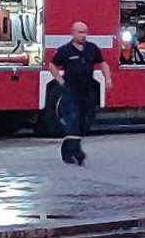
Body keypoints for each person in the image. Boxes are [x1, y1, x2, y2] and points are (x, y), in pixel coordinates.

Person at [48, 21, 113, 165]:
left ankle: (67, 150)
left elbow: (102, 63)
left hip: (87, 90)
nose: (83, 35)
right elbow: (52, 65)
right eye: (80, 32)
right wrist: (59, 80)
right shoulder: (65, 50)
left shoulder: (92, 49)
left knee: (84, 122)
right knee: (73, 119)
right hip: (70, 90)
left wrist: (107, 78)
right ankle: (77, 152)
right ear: (73, 33)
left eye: (85, 32)